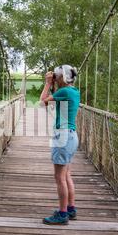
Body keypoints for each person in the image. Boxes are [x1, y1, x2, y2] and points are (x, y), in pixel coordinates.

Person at [40, 65, 80, 225]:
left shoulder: (63, 92)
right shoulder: (74, 91)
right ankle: (70, 208)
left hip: (62, 137)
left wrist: (48, 83)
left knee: (59, 177)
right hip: (71, 136)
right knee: (66, 175)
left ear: (61, 77)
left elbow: (42, 101)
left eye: (56, 76)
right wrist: (55, 82)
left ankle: (62, 214)